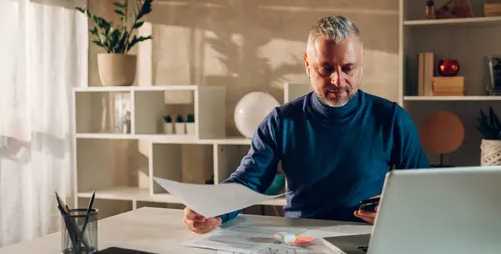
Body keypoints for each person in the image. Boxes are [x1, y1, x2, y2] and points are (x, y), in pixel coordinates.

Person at [184, 15, 430, 234]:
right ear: (307, 64)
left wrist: (393, 212)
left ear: (361, 63)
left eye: (348, 68)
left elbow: (422, 191)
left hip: (366, 238)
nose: (338, 79)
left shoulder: (392, 119)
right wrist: (211, 209)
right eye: (326, 68)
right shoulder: (281, 121)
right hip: (300, 240)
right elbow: (248, 182)